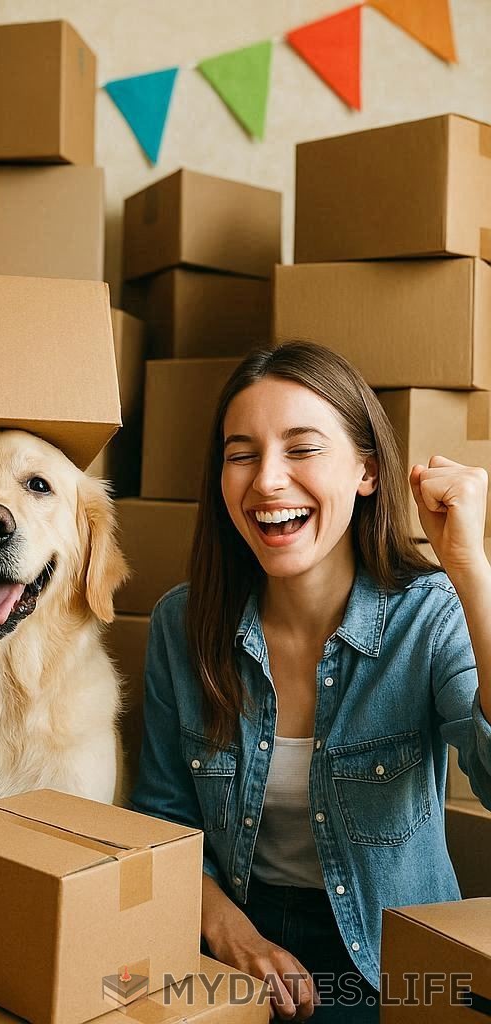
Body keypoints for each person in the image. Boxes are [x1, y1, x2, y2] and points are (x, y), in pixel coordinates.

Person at [131, 342, 491, 1022]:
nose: (267, 480)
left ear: (367, 471)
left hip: (393, 958)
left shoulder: (428, 616)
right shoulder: (181, 623)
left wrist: (471, 570)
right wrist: (228, 930)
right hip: (229, 932)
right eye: (242, 453)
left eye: (301, 449)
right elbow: (161, 820)